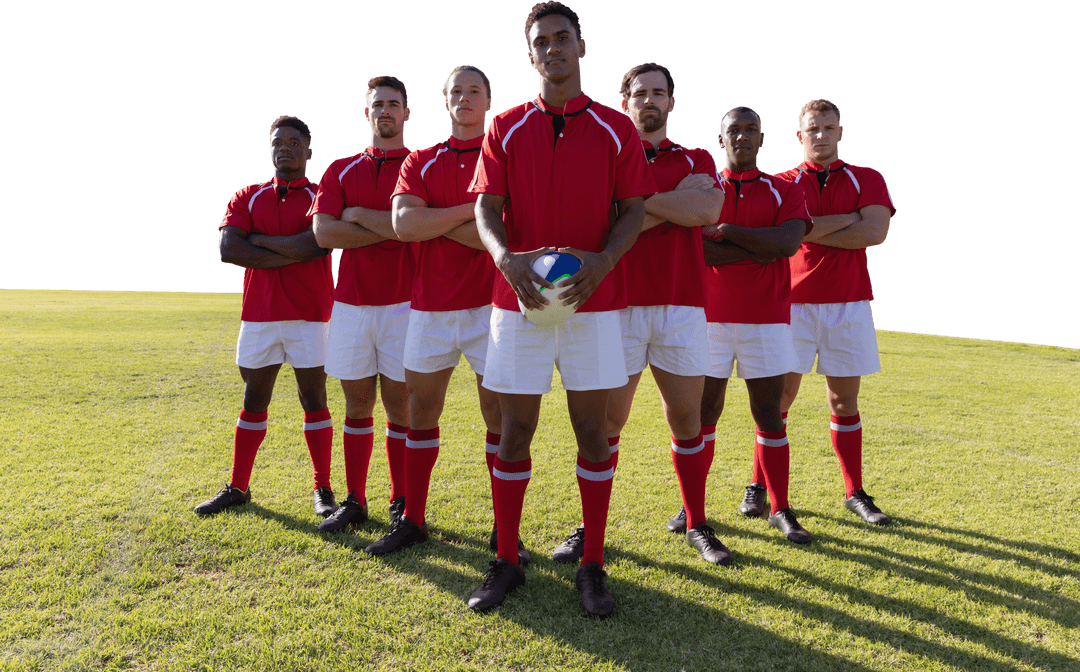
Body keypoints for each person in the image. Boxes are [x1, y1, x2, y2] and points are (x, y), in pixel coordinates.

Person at [465, 1, 656, 616]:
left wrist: (600, 263)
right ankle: (506, 561)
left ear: (581, 46)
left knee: (593, 432)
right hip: (516, 301)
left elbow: (633, 211)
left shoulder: (614, 128)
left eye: (562, 38)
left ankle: (593, 564)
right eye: (541, 41)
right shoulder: (506, 127)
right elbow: (486, 209)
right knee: (514, 430)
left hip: (593, 303)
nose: (553, 49)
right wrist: (505, 259)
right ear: (531, 54)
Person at [550, 62, 729, 565]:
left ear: (672, 102)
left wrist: (635, 210)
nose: (648, 101)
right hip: (617, 306)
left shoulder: (695, 156)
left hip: (681, 306)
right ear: (624, 100)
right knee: (607, 421)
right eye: (639, 93)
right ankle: (592, 528)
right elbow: (602, 222)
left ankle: (696, 522)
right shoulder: (606, 154)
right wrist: (673, 203)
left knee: (688, 418)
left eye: (658, 93)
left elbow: (709, 211)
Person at [365, 65, 529, 563]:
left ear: (488, 100)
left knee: (497, 416)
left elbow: (515, 231)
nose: (465, 98)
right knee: (419, 412)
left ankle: (507, 533)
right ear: (444, 100)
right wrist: (476, 213)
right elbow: (405, 224)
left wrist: (441, 219)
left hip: (492, 306)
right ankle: (413, 518)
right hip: (430, 307)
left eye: (474, 90)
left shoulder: (506, 156)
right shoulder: (421, 159)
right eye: (456, 91)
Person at [196, 115, 336, 518]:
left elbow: (318, 246)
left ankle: (322, 489)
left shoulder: (320, 195)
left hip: (311, 315)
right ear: (269, 147)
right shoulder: (247, 195)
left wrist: (258, 242)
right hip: (259, 317)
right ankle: (238, 487)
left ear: (309, 151)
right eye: (278, 142)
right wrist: (288, 249)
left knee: (314, 399)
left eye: (295, 142)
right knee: (254, 397)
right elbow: (229, 250)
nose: (285, 148)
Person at [773, 99, 896, 525]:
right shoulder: (783, 183)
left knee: (845, 402)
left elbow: (875, 231)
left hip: (849, 304)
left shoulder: (868, 178)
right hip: (791, 305)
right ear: (799, 134)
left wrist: (810, 227)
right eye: (813, 128)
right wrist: (847, 220)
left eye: (828, 128)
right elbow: (786, 236)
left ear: (841, 131)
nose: (820, 135)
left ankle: (854, 491)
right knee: (777, 402)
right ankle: (761, 487)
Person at [701, 106, 812, 544]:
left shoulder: (784, 188)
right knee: (703, 414)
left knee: (768, 414)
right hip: (708, 320)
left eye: (751, 130)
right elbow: (700, 254)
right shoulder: (705, 190)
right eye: (734, 130)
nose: (742, 136)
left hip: (766, 320)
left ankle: (780, 508)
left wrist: (728, 229)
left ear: (763, 140)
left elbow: (787, 243)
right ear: (720, 139)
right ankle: (694, 508)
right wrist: (757, 246)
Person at [310, 77, 414, 532]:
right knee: (357, 406)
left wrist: (361, 217)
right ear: (366, 112)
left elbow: (419, 228)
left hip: (406, 304)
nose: (385, 111)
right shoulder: (340, 170)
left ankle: (402, 499)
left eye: (394, 104)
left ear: (407, 113)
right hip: (351, 304)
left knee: (400, 407)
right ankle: (355, 499)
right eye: (378, 105)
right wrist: (394, 227)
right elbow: (324, 234)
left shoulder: (421, 165)